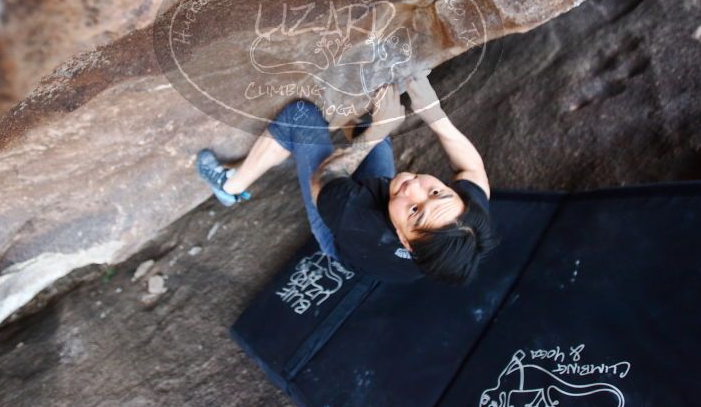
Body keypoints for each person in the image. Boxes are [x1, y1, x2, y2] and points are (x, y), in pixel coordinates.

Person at [196, 73, 497, 285]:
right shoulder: (465, 222)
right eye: (435, 191)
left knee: (301, 118)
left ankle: (229, 186)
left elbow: (325, 178)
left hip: (340, 230)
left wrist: (381, 128)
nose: (414, 187)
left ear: (405, 241)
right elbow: (471, 171)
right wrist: (433, 113)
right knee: (370, 123)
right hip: (377, 209)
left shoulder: (362, 222)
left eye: (415, 210)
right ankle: (361, 118)